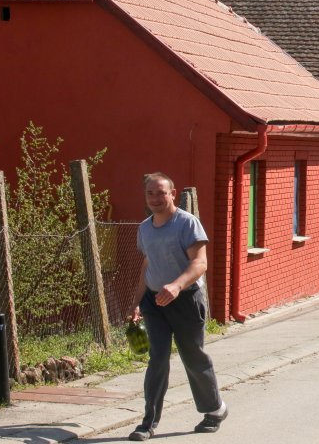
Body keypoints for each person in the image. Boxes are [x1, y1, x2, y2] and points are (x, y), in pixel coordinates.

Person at [127, 172, 227, 441]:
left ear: (173, 194)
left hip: (185, 299)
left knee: (193, 356)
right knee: (157, 358)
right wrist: (137, 302)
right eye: (150, 193)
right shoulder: (145, 228)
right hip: (154, 301)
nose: (156, 199)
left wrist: (176, 285)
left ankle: (214, 410)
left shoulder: (187, 223)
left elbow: (200, 264)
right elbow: (148, 265)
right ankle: (148, 423)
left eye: (161, 193)